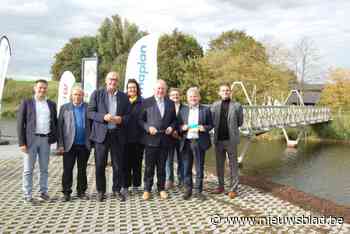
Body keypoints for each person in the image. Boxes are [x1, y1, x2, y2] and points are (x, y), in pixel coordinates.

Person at [88, 71, 131, 202]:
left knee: (118, 165)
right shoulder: (97, 94)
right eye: (111, 79)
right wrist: (103, 117)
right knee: (100, 164)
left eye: (115, 80)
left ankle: (116, 190)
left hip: (117, 135)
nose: (113, 82)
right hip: (101, 136)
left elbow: (129, 116)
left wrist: (121, 119)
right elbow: (90, 112)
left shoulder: (124, 97)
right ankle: (101, 191)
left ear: (118, 82)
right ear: (106, 81)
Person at [17, 79, 57, 203]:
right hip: (31, 140)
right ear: (35, 88)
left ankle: (43, 192)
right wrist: (22, 143)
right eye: (40, 87)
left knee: (44, 168)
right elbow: (20, 124)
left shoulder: (51, 104)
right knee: (28, 169)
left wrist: (54, 139)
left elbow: (54, 122)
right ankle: (27, 194)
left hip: (45, 140)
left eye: (44, 88)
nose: (42, 90)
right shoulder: (27, 103)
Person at [139, 79, 177, 200]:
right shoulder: (146, 102)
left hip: (165, 139)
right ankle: (147, 189)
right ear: (154, 90)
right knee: (149, 166)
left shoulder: (170, 103)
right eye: (158, 88)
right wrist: (148, 127)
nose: (160, 91)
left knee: (162, 167)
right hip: (151, 140)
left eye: (163, 89)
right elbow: (140, 120)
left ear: (166, 90)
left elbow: (174, 120)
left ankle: (161, 188)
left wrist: (171, 127)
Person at [178, 87, 213, 201]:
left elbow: (211, 124)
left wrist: (204, 127)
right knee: (186, 167)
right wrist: (182, 127)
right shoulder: (183, 110)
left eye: (195, 96)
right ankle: (188, 190)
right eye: (191, 97)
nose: (193, 98)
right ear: (187, 99)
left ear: (199, 97)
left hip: (199, 141)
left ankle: (198, 191)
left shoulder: (206, 109)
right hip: (187, 141)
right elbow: (177, 125)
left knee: (199, 167)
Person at [58, 86, 91, 201]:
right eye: (75, 94)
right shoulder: (65, 108)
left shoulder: (88, 107)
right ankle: (66, 192)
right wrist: (60, 144)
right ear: (71, 96)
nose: (77, 97)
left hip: (84, 144)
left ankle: (81, 191)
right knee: (67, 169)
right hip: (68, 145)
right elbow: (60, 127)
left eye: (79, 94)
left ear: (83, 96)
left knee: (82, 169)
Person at [211, 84, 243, 199]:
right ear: (219, 93)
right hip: (218, 140)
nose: (225, 92)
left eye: (227, 90)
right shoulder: (214, 106)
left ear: (230, 92)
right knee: (219, 165)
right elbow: (210, 121)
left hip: (231, 140)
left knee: (233, 165)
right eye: (223, 91)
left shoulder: (237, 106)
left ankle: (233, 189)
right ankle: (220, 186)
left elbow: (240, 122)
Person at [125, 79, 144, 193]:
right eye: (130, 87)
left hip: (139, 139)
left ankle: (136, 185)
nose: (132, 89)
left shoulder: (143, 102)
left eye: (134, 87)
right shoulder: (123, 101)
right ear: (127, 89)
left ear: (137, 89)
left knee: (137, 163)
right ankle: (126, 186)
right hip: (125, 139)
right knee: (125, 163)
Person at [165, 88, 184, 189]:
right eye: (173, 95)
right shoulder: (166, 107)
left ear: (180, 96)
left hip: (181, 137)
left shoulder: (185, 108)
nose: (175, 97)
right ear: (169, 97)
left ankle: (181, 179)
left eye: (177, 95)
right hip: (169, 137)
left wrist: (179, 132)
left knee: (181, 159)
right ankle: (169, 179)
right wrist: (172, 131)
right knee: (169, 159)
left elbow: (187, 122)